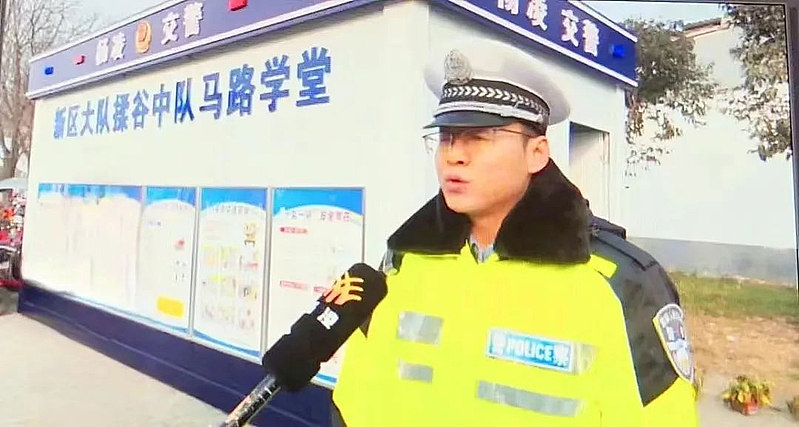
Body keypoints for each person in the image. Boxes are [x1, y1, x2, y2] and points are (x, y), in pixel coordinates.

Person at [330, 37, 698, 427]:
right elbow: (355, 400)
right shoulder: (404, 261)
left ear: (536, 153)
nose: (454, 155)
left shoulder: (620, 284)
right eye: (446, 138)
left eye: (479, 137)